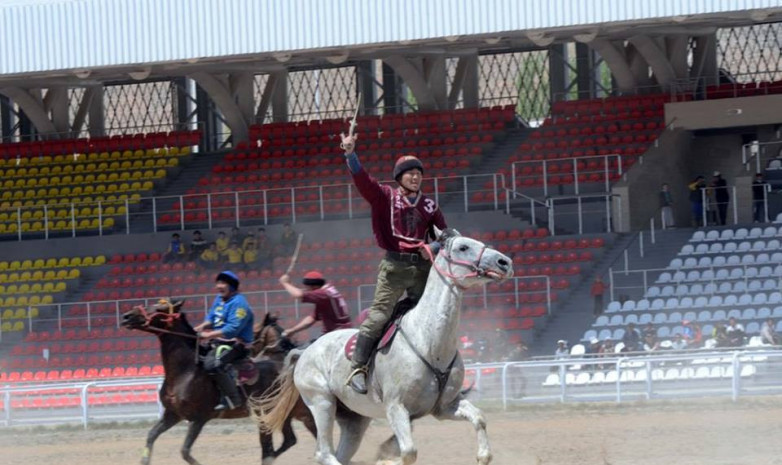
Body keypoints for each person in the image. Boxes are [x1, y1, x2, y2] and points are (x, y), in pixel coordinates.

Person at [340, 133, 448, 394]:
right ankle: (358, 368)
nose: (415, 177)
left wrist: (432, 246)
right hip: (394, 268)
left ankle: (439, 371)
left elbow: (446, 236)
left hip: (422, 270)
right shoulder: (385, 197)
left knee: (434, 317)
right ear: (399, 177)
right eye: (409, 173)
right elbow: (363, 182)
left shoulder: (429, 205)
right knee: (378, 316)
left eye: (418, 173)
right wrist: (351, 154)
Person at [193, 271, 254, 411]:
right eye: (218, 283)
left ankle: (234, 400)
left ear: (232, 286)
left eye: (223, 283)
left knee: (212, 365)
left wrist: (208, 335)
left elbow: (233, 329)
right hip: (218, 342)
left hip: (236, 344)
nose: (218, 286)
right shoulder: (219, 299)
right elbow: (212, 319)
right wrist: (199, 328)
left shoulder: (240, 304)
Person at [278, 271, 352, 339]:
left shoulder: (322, 294)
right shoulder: (329, 290)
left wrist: (285, 283)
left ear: (314, 287)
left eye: (307, 287)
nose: (306, 289)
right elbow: (311, 319)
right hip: (344, 330)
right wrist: (292, 330)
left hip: (336, 334)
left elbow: (298, 295)